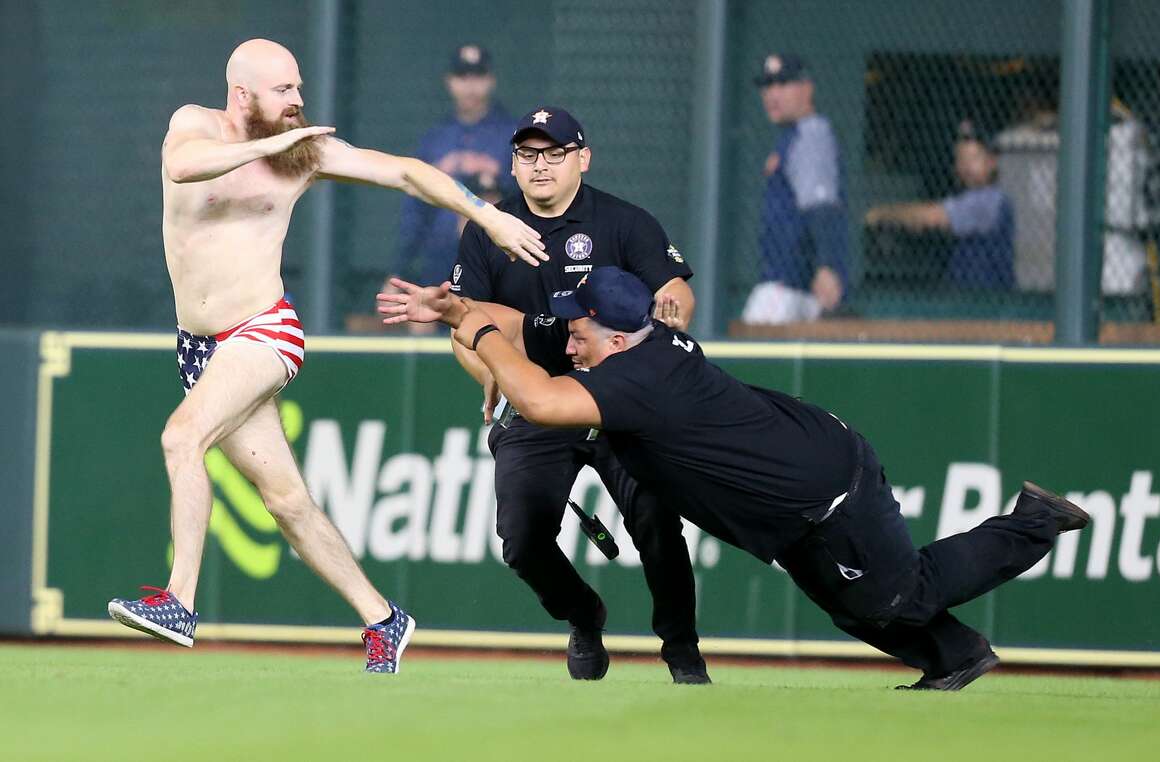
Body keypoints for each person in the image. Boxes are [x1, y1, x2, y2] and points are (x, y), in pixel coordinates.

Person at [379, 266, 1093, 691]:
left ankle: (1033, 521)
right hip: (793, 505)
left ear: (619, 337)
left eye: (579, 333)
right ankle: (959, 657)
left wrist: (469, 330)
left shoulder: (637, 378)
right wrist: (461, 307)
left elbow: (536, 399)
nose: (567, 341)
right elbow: (525, 324)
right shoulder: (636, 341)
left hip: (825, 492)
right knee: (852, 608)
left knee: (900, 594)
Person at [105, 38, 546, 674]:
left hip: (263, 331)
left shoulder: (305, 151)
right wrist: (266, 148)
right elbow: (185, 167)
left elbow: (404, 172)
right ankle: (383, 619)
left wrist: (486, 215)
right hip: (198, 346)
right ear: (242, 94)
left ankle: (180, 601)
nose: (298, 102)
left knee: (182, 437)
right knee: (285, 502)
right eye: (283, 90)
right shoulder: (193, 125)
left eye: (298, 88)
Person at [437, 106, 709, 684]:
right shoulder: (488, 231)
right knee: (522, 538)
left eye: (553, 153)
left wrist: (666, 322)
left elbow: (675, 295)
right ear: (512, 164)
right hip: (539, 398)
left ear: (581, 159)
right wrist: (491, 370)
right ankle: (584, 616)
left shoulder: (624, 222)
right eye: (527, 154)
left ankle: (682, 653)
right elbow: (465, 324)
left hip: (619, 398)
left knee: (658, 525)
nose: (540, 166)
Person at [388, 44, 517, 293]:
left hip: (494, 258)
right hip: (437, 258)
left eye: (478, 76)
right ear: (449, 81)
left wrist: (493, 176)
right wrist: (400, 268)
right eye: (462, 77)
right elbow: (415, 211)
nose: (470, 85)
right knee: (422, 321)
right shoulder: (435, 138)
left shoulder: (512, 133)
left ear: (490, 80)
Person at [743, 53, 850, 325]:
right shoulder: (791, 136)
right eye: (768, 86)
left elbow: (822, 206)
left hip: (790, 287)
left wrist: (827, 266)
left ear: (807, 88)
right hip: (792, 288)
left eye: (783, 84)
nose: (772, 94)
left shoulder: (810, 134)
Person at [866, 120, 1015, 290]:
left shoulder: (989, 200)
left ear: (991, 162)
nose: (966, 168)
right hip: (964, 294)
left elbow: (933, 217)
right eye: (961, 160)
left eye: (974, 159)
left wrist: (879, 215)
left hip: (988, 300)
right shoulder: (967, 197)